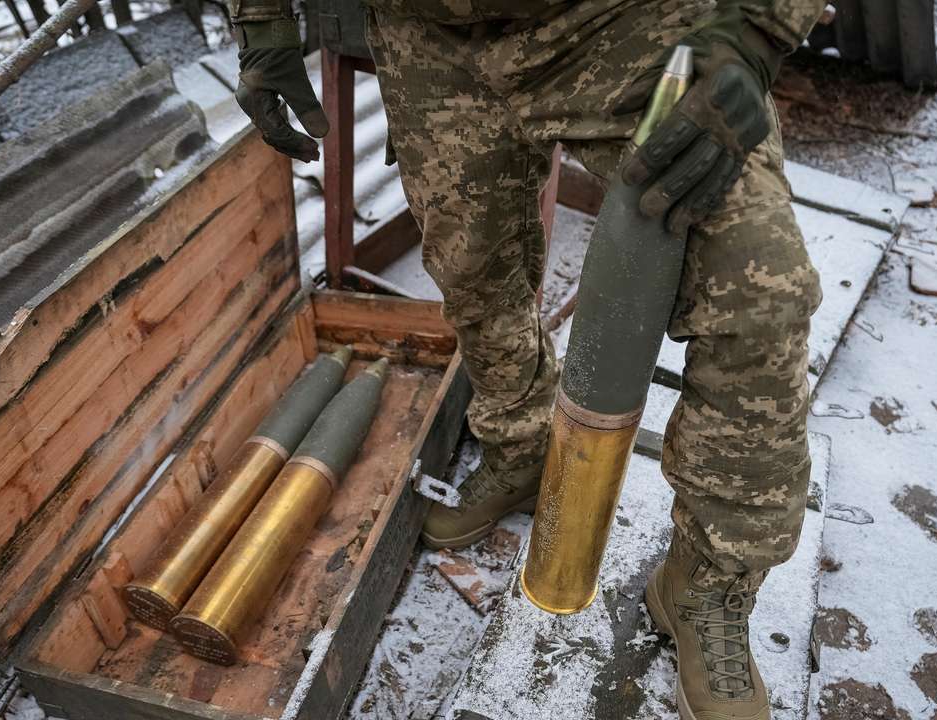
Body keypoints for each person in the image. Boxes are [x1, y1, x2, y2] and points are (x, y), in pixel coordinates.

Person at [231, 0, 824, 716]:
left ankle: (704, 586)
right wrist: (261, 18)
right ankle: (520, 448)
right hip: (426, 32)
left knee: (759, 291)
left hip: (623, 22)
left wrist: (761, 28)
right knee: (474, 271)